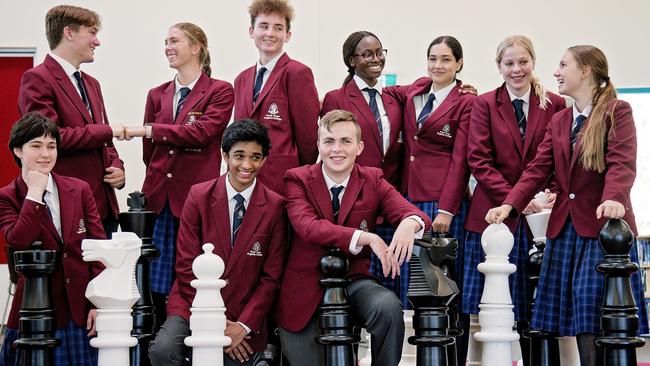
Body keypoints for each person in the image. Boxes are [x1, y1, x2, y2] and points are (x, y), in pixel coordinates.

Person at [485, 45, 649, 366]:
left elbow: (622, 161)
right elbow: (537, 169)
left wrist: (614, 197)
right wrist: (510, 205)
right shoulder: (560, 119)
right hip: (564, 230)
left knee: (593, 313)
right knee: (564, 318)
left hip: (602, 228)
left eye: (563, 65)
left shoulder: (617, 110)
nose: (556, 72)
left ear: (586, 70)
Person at [275, 109, 431, 366]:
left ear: (359, 147)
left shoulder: (373, 179)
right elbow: (308, 227)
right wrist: (366, 237)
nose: (337, 149)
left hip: (353, 283)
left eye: (345, 141)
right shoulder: (298, 179)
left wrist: (408, 223)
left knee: (388, 308)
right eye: (329, 141)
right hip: (303, 290)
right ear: (318, 146)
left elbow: (415, 215)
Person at [148, 119, 287, 366]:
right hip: (193, 304)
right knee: (164, 351)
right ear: (225, 155)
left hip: (243, 313)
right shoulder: (199, 195)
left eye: (255, 157)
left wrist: (242, 326)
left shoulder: (275, 206)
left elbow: (270, 278)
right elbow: (185, 266)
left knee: (232, 361)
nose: (247, 165)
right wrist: (217, 323)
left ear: (264, 160)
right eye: (239, 156)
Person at [123, 22, 234, 326]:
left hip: (194, 199)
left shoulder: (220, 91)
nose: (168, 47)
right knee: (153, 283)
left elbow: (201, 133)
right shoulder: (156, 94)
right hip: (159, 200)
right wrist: (154, 137)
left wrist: (146, 130)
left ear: (196, 46)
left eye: (174, 41)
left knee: (192, 278)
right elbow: (151, 153)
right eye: (165, 42)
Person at [463, 35, 566, 363]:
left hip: (541, 216)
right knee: (487, 304)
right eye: (509, 63)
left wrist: (541, 196)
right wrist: (518, 200)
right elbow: (479, 160)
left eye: (523, 62)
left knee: (532, 309)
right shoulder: (483, 104)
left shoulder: (555, 104)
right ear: (499, 66)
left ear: (533, 62)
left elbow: (558, 159)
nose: (516, 69)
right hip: (492, 214)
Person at [391, 35, 476, 363]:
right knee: (419, 286)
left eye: (445, 60)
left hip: (444, 204)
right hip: (411, 200)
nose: (438, 65)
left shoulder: (467, 102)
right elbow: (383, 91)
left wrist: (447, 209)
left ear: (459, 64)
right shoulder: (415, 90)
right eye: (432, 59)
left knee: (450, 287)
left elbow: (461, 160)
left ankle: (456, 358)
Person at [0, 113, 105, 365]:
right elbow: (18, 240)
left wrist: (98, 303)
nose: (45, 154)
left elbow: (98, 248)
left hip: (80, 312)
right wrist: (35, 193)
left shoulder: (79, 189)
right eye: (36, 146)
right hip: (36, 314)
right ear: (18, 150)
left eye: (51, 146)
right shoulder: (7, 196)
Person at [18, 5, 125, 237]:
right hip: (67, 206)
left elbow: (104, 139)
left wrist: (117, 165)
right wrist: (108, 131)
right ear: (69, 33)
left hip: (103, 208)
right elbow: (51, 138)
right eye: (92, 33)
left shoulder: (92, 83)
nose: (97, 42)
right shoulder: (36, 79)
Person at [232, 0, 319, 195]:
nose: (270, 33)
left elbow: (308, 136)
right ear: (251, 31)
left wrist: (299, 174)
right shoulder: (241, 79)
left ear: (287, 35)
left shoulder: (297, 73)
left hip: (283, 179)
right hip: (245, 179)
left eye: (278, 28)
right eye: (263, 26)